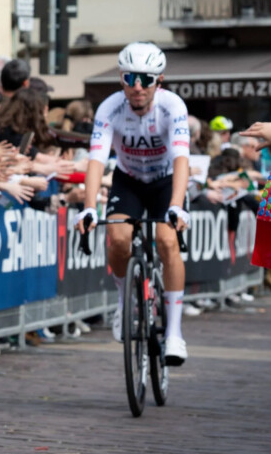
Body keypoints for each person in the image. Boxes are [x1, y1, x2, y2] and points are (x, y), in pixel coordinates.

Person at [75, 42, 192, 365]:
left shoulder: (173, 107)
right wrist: (88, 207)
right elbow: (96, 161)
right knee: (118, 239)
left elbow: (182, 158)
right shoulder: (109, 108)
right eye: (130, 78)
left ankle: (174, 334)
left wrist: (178, 205)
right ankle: (126, 301)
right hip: (129, 181)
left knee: (168, 241)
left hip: (166, 181)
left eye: (146, 79)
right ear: (122, 80)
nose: (137, 86)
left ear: (159, 80)